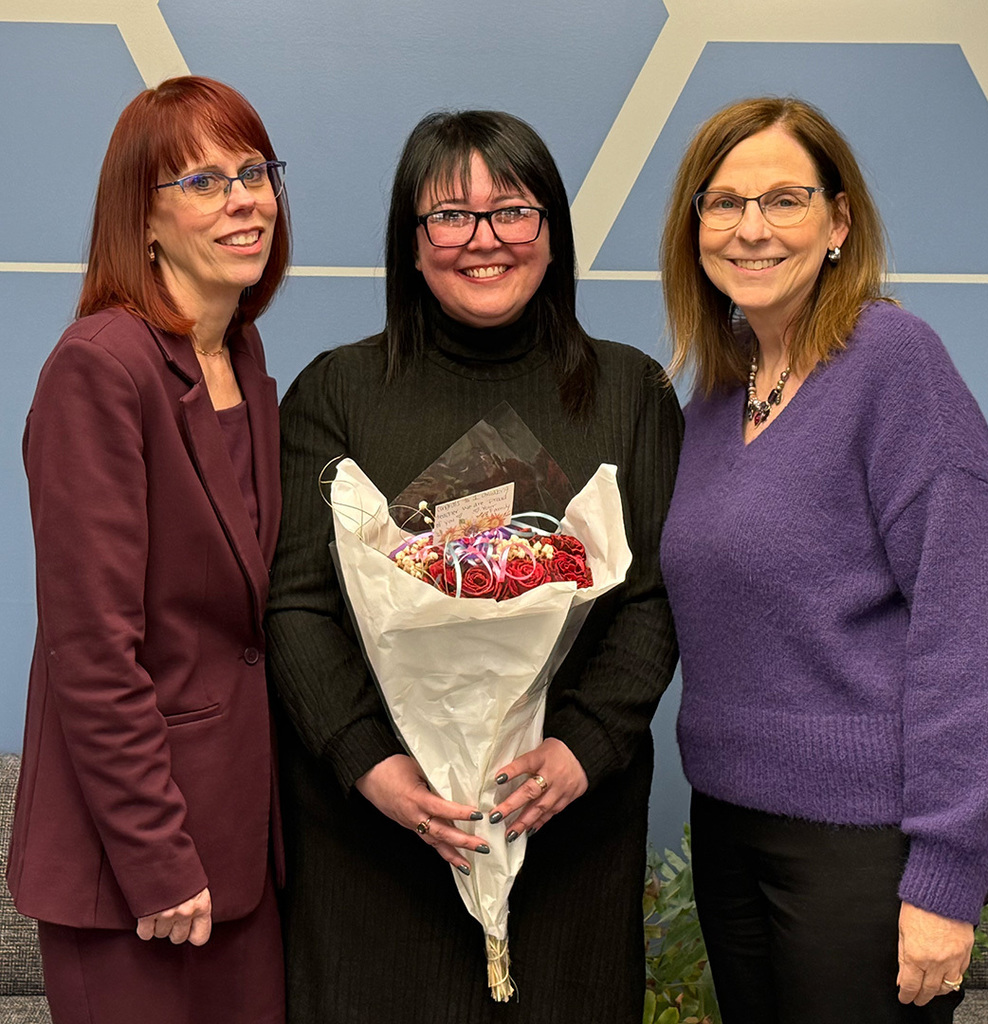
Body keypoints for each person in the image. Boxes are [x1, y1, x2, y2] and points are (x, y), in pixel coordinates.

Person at [267, 109, 684, 1022]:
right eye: (448, 216)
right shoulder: (334, 393)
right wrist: (370, 763)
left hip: (566, 824)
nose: (483, 240)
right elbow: (296, 606)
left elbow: (654, 597)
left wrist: (584, 748)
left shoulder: (631, 393)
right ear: (411, 246)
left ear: (552, 233)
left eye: (513, 211)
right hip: (375, 843)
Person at [659, 95, 988, 1024]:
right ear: (693, 224)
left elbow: (971, 630)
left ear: (839, 221)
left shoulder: (894, 363)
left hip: (862, 849)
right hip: (729, 828)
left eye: (784, 199)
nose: (750, 229)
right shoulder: (711, 401)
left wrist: (947, 876)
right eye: (723, 202)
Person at [6, 76, 290, 1024]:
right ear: (147, 220)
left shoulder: (242, 357)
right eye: (203, 182)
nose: (244, 198)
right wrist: (158, 861)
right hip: (139, 872)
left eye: (253, 171)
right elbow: (93, 651)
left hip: (241, 848)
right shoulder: (99, 367)